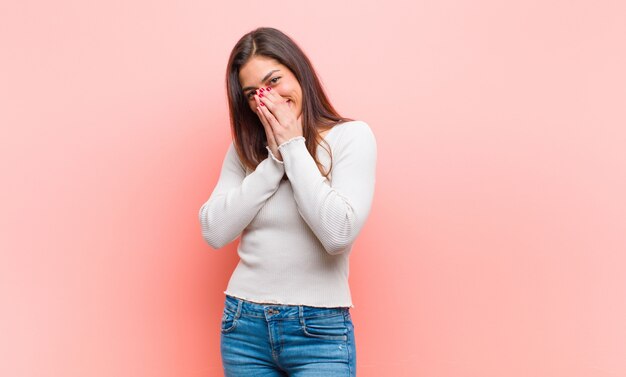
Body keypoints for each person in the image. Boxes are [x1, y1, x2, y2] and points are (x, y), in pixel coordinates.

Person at [198, 27, 376, 377]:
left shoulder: (350, 137)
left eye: (274, 80)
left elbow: (338, 233)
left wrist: (294, 148)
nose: (267, 97)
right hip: (243, 326)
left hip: (319, 331)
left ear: (299, 71)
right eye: (253, 93)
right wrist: (273, 162)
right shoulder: (245, 152)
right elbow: (213, 230)